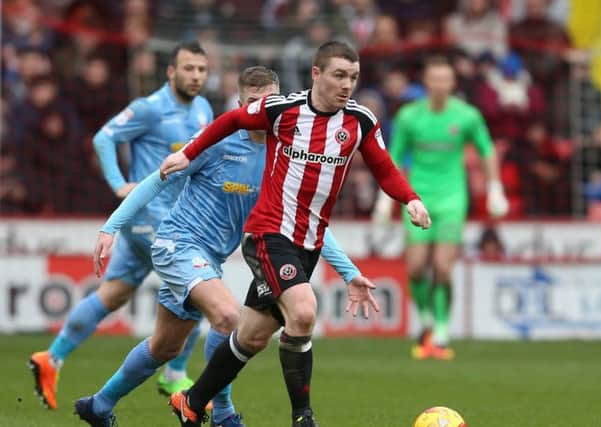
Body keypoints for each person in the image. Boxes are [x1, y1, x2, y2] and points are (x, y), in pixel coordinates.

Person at [75, 65, 368, 427]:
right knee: (229, 317)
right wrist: (111, 227)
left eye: (268, 102)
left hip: (208, 261)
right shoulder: (217, 141)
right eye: (250, 103)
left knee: (164, 347)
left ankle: (98, 406)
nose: (258, 111)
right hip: (177, 245)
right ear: (239, 103)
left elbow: (309, 223)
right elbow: (158, 179)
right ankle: (222, 415)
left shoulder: (286, 151)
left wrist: (350, 271)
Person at [159, 41, 431, 427]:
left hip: (308, 244)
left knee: (251, 337)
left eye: (353, 77)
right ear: (316, 74)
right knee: (303, 312)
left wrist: (411, 199)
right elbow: (232, 120)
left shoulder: (360, 121)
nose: (347, 85)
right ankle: (303, 417)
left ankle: (192, 400)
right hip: (268, 234)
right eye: (339, 75)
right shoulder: (283, 110)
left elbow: (384, 168)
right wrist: (189, 152)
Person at [28, 41, 212, 410]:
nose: (195, 76)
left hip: (167, 220)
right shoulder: (151, 108)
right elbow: (104, 137)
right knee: (202, 285)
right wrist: (117, 184)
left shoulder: (204, 108)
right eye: (188, 68)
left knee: (114, 293)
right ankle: (174, 375)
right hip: (151, 219)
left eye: (201, 70)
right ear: (170, 71)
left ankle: (53, 358)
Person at [372, 56, 509, 360]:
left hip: (451, 199)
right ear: (426, 82)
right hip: (417, 198)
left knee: (444, 267)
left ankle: (443, 329)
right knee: (417, 266)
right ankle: (426, 319)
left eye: (445, 79)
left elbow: (487, 151)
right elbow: (391, 158)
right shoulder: (409, 116)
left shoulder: (467, 116)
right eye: (434, 79)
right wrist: (385, 201)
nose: (439, 85)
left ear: (452, 83)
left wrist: (495, 189)